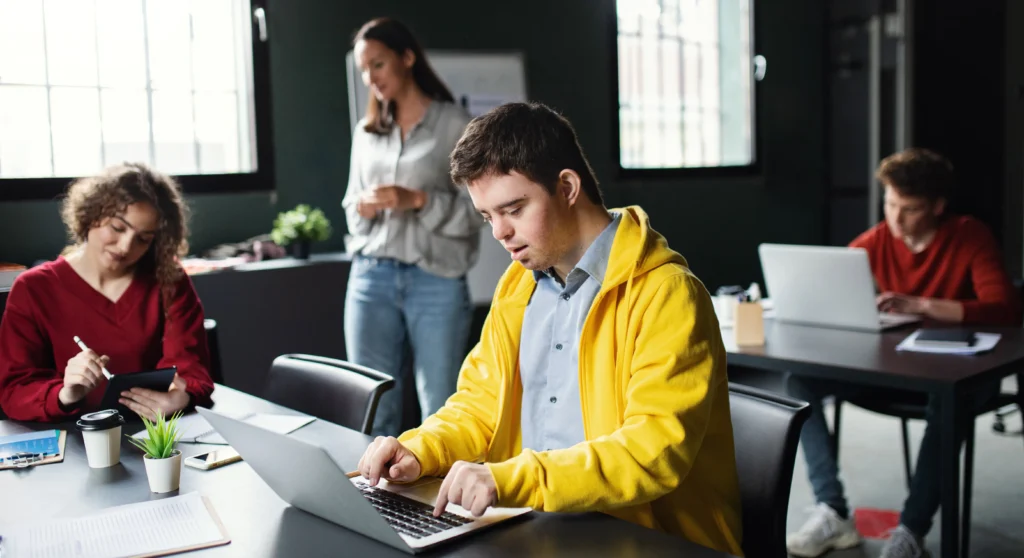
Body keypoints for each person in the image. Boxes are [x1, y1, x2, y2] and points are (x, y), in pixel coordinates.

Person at [355, 102, 743, 556]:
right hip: (538, 528)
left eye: (514, 209)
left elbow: (651, 452)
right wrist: (421, 449)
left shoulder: (668, 294)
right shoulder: (518, 285)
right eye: (487, 216)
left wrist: (512, 479)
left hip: (647, 540)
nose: (500, 232)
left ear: (567, 187)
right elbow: (480, 405)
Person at [785, 148, 1022, 558]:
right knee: (798, 382)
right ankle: (833, 510)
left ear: (937, 207)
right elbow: (834, 281)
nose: (895, 218)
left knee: (947, 403)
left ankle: (911, 531)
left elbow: (1005, 309)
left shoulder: (970, 235)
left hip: (962, 377)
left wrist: (922, 305)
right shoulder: (878, 240)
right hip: (893, 372)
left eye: (908, 209)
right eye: (890, 204)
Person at [342, 17, 479, 437]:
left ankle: (436, 502)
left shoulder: (456, 124)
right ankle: (375, 499)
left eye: (378, 64)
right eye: (364, 69)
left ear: (407, 57)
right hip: (371, 277)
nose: (371, 78)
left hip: (435, 279)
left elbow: (478, 211)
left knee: (438, 404)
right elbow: (349, 205)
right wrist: (364, 208)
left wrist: (417, 201)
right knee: (371, 404)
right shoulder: (366, 132)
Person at [0, 163, 215, 423]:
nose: (125, 247)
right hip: (73, 444)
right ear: (91, 214)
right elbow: (14, 390)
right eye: (117, 227)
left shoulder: (169, 281)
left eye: (143, 239)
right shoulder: (33, 289)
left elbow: (191, 370)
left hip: (153, 438)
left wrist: (180, 397)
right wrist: (64, 394)